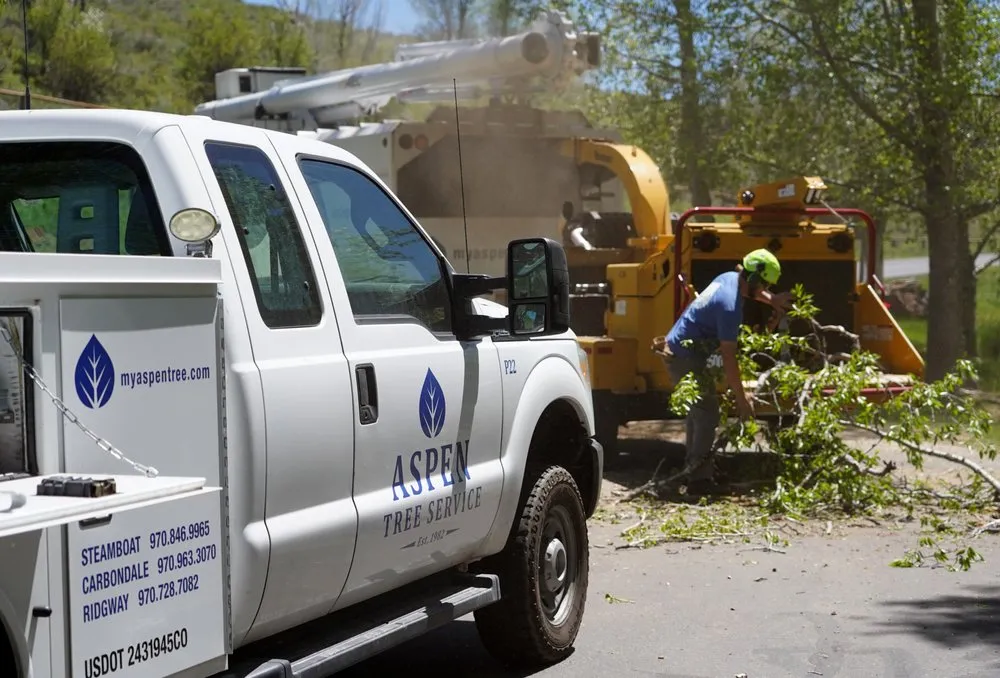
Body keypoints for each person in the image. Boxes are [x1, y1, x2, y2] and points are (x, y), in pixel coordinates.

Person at [664, 248, 793, 494]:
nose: (765, 289)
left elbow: (755, 291)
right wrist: (742, 399)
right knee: (706, 412)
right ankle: (699, 482)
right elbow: (728, 356)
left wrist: (772, 299)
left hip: (684, 350)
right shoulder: (729, 306)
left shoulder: (730, 277)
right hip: (683, 356)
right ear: (753, 278)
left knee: (698, 412)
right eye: (765, 284)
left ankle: (694, 471)